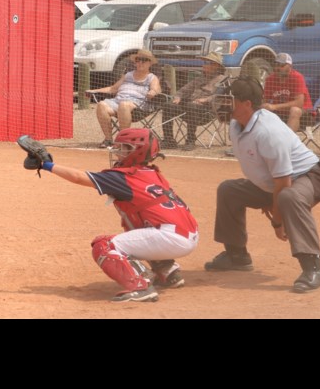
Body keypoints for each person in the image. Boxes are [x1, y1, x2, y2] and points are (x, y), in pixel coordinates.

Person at [28, 128, 198, 302]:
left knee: (104, 245)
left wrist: (46, 165)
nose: (117, 151)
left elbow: (79, 177)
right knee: (134, 228)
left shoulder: (122, 177)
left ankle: (140, 286)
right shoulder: (152, 172)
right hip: (186, 234)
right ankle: (168, 272)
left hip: (170, 238)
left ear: (137, 151)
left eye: (124, 148)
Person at [205, 76, 320, 293]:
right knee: (229, 190)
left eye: (230, 100)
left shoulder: (268, 132)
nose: (225, 104)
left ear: (247, 104)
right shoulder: (237, 124)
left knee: (288, 197)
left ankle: (315, 267)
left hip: (310, 176)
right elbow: (265, 173)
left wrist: (277, 219)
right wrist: (265, 195)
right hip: (278, 182)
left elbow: (284, 182)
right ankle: (237, 255)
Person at [87, 49, 162, 148]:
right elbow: (113, 89)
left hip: (139, 106)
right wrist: (94, 91)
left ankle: (123, 141)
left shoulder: (152, 77)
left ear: (149, 63)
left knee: (124, 104)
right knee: (102, 105)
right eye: (138, 60)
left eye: (143, 60)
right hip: (118, 101)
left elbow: (156, 90)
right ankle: (108, 139)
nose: (140, 62)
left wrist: (152, 92)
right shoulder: (128, 75)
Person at [160, 52, 227, 151]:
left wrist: (205, 100)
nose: (203, 65)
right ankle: (169, 140)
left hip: (207, 111)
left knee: (192, 106)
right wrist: (178, 97)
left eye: (207, 63)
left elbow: (221, 96)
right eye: (204, 62)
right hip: (190, 108)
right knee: (168, 105)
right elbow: (182, 91)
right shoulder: (198, 79)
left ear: (216, 66)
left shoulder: (223, 80)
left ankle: (190, 140)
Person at [262, 52, 311, 132]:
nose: (277, 68)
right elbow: (265, 101)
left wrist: (275, 107)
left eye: (281, 65)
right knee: (262, 111)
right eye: (276, 64)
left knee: (294, 110)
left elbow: (299, 103)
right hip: (280, 114)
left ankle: (288, 143)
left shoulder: (297, 77)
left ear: (290, 66)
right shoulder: (270, 79)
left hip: (303, 115)